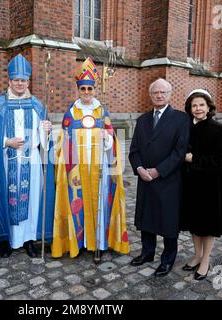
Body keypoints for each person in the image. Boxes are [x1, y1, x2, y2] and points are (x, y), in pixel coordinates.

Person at [51, 57, 129, 263]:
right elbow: (63, 141)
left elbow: (113, 143)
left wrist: (107, 140)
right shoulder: (71, 112)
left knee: (100, 202)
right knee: (78, 202)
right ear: (78, 90)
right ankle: (81, 242)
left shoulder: (102, 112)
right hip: (77, 169)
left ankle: (99, 244)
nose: (86, 93)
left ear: (95, 89)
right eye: (83, 89)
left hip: (99, 167)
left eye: (90, 89)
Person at [0, 54, 55, 258]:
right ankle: (8, 240)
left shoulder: (37, 105)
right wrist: (7, 142)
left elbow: (45, 142)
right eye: (16, 80)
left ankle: (29, 239)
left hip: (31, 163)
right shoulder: (0, 106)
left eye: (23, 80)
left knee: (31, 201)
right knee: (7, 197)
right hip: (7, 162)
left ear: (28, 81)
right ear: (9, 81)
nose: (20, 83)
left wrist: (46, 130)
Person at [128, 78, 190, 277]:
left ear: (170, 94)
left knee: (168, 222)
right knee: (147, 218)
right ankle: (147, 253)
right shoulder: (142, 120)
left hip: (168, 179)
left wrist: (158, 171)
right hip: (144, 179)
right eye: (155, 92)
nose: (159, 95)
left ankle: (168, 259)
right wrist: (138, 168)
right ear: (151, 95)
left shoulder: (181, 119)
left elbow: (179, 152)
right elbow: (134, 150)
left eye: (163, 92)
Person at [180, 89, 222, 280]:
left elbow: (220, 160)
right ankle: (197, 254)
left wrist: (195, 159)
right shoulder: (187, 128)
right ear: (189, 108)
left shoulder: (219, 129)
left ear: (209, 107)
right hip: (191, 183)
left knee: (208, 224)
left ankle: (206, 259)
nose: (198, 108)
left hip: (210, 184)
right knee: (194, 222)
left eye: (201, 105)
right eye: (194, 105)